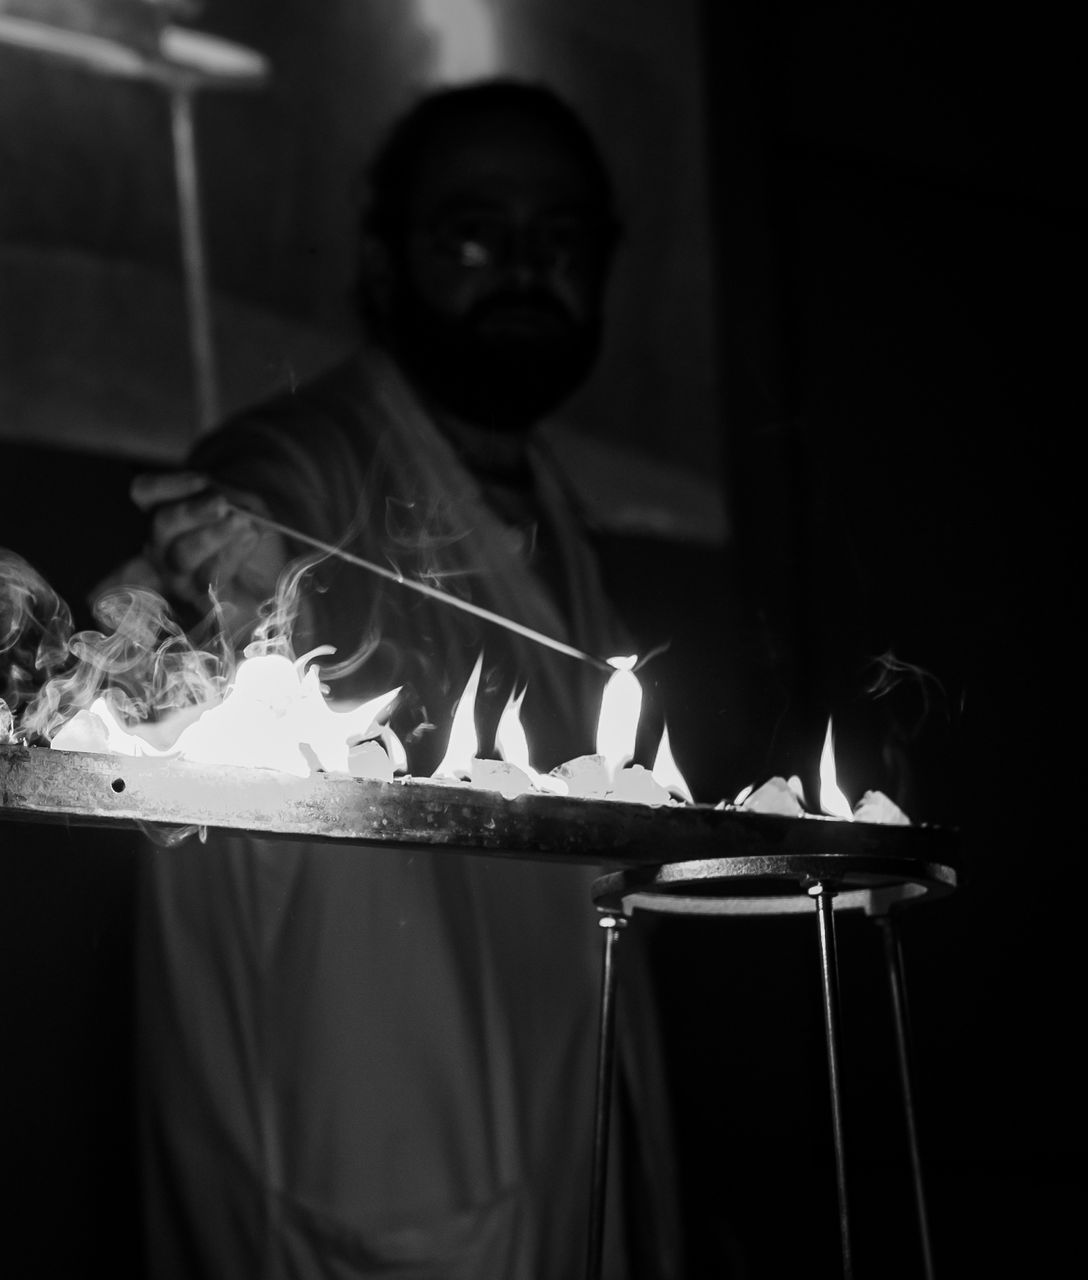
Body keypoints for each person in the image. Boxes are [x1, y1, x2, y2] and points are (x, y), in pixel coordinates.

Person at [127, 80, 682, 1280]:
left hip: (557, 1166)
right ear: (384, 259)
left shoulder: (550, 507)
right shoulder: (315, 454)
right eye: (474, 234)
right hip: (355, 1196)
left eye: (562, 238)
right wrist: (242, 559)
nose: (524, 267)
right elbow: (256, 516)